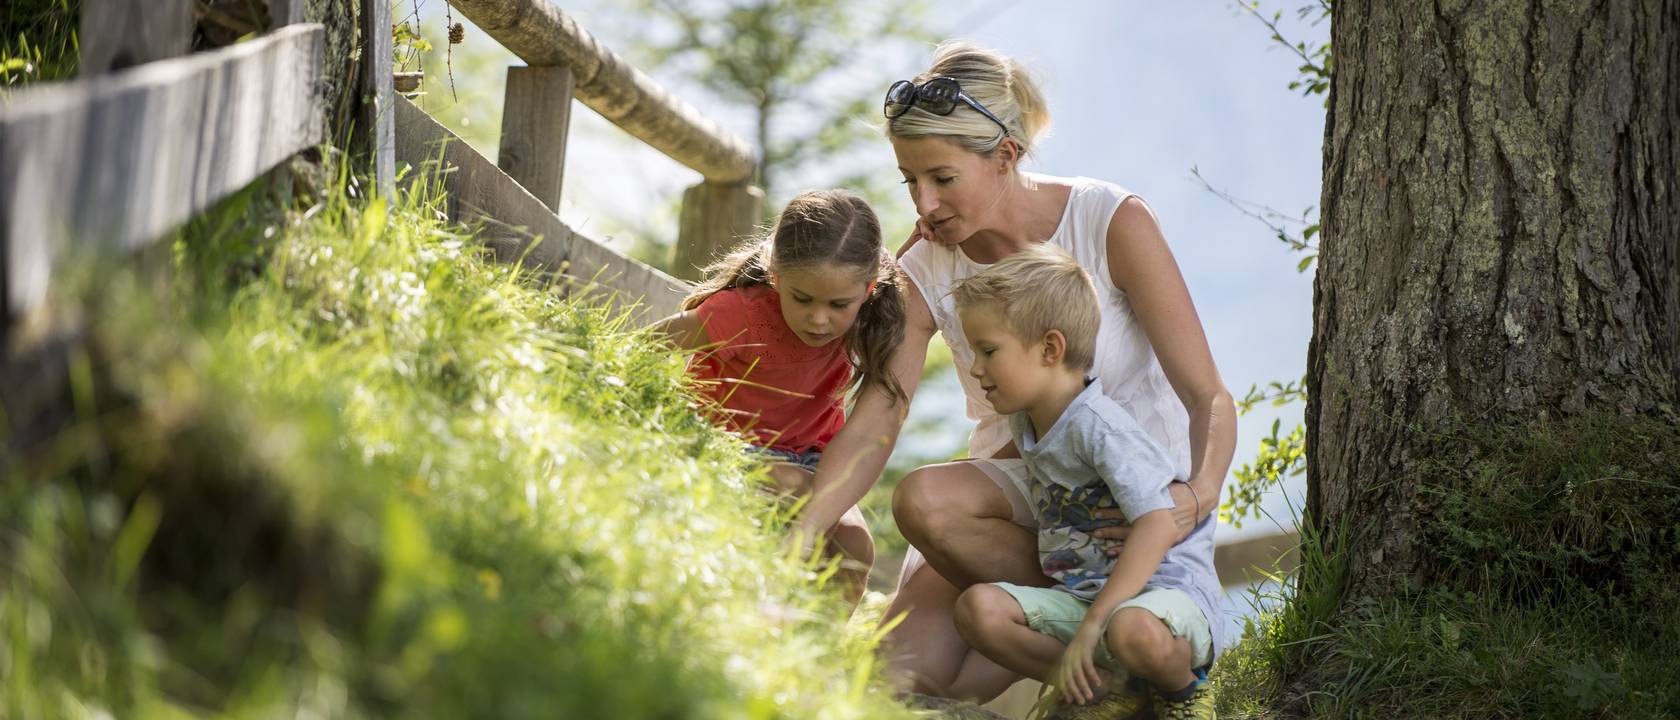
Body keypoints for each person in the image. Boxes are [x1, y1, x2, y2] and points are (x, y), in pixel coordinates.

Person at [784, 40, 1237, 702]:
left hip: (1131, 497)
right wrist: (799, 539)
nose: (925, 205)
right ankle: (1095, 656)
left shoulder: (1109, 220)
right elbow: (878, 419)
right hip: (1026, 498)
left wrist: (1193, 496)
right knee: (897, 676)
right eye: (910, 181)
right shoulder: (924, 268)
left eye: (943, 178)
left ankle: (1135, 630)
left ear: (1005, 156)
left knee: (920, 652)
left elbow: (1209, 397)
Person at [948, 244, 1218, 718]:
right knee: (979, 610)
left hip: (1159, 601)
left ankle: (1185, 694)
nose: (975, 368)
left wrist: (1096, 623)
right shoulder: (1028, 420)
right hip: (1084, 601)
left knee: (1130, 630)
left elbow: (1158, 523)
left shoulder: (1101, 427)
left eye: (988, 351)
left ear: (1051, 349)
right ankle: (1105, 688)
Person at [654, 189, 907, 605]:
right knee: (796, 490)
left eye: (838, 304)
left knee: (854, 547)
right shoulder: (741, 315)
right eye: (802, 299)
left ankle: (814, 654)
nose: (819, 318)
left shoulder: (871, 316)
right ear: (775, 277)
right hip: (729, 441)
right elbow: (646, 344)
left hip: (813, 457)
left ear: (869, 289)